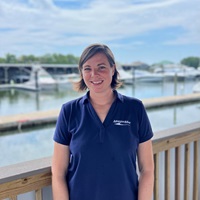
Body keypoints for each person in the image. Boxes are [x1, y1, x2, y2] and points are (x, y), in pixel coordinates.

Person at [52, 43, 154, 200]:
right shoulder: (69, 111)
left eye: (101, 67)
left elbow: (147, 168)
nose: (94, 74)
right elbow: (58, 172)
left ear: (113, 69)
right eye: (87, 68)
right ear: (81, 72)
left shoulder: (135, 109)